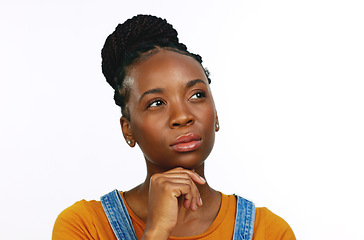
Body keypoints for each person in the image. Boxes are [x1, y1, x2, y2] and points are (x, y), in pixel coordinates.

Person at [52, 14, 296, 240]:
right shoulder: (85, 226)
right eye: (156, 103)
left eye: (197, 95)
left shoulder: (267, 231)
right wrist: (156, 230)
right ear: (128, 129)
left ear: (216, 114)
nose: (182, 116)